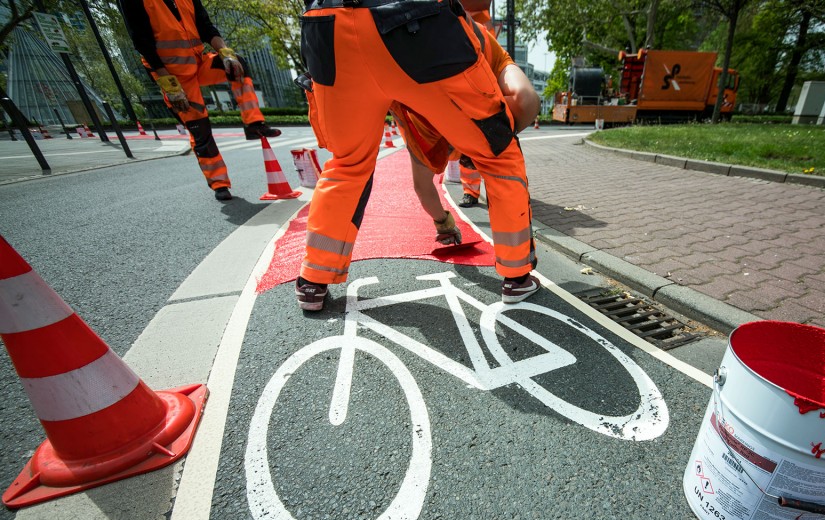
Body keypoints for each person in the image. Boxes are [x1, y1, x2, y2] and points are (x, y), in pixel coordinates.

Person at [295, 0, 540, 311]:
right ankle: (517, 276)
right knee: (499, 157)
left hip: (326, 27)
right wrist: (491, 143)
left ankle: (313, 280)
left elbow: (422, 186)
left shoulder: (475, 35)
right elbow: (525, 98)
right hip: (412, 22)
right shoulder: (487, 47)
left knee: (347, 163)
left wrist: (444, 223)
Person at [390, 9, 540, 240]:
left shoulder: (423, 130)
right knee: (525, 101)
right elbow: (421, 187)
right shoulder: (421, 132)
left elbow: (422, 188)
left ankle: (499, 140)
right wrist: (443, 223)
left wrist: (444, 223)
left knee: (526, 99)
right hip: (443, 62)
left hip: (481, 59)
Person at [119, 0, 283, 201]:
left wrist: (226, 54)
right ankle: (219, 184)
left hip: (199, 63)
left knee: (237, 63)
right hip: (175, 78)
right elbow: (141, 42)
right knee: (200, 130)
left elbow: (206, 27)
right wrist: (169, 85)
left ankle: (254, 123)